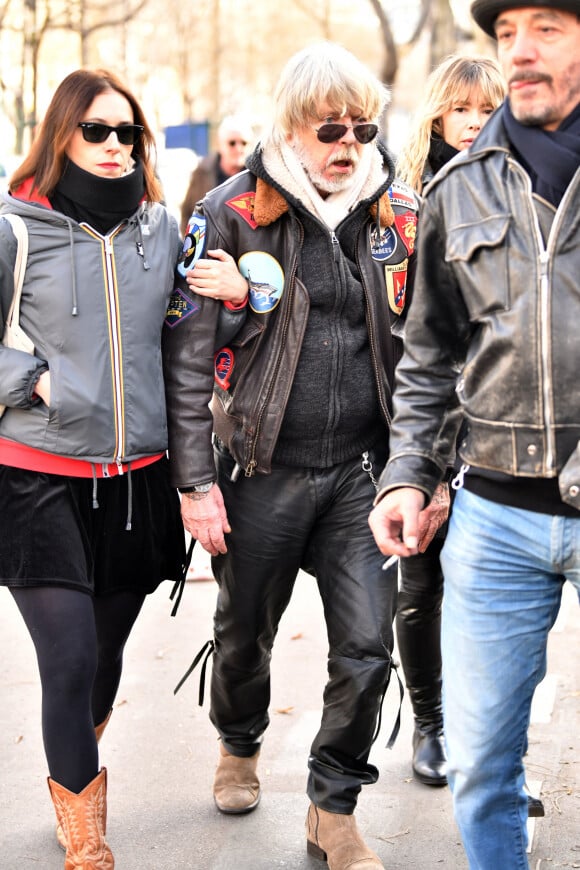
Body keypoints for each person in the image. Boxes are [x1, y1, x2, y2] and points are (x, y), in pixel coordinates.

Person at [163, 41, 439, 870]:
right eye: (330, 129)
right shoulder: (230, 211)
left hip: (363, 474)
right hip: (261, 469)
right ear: (291, 126)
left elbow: (428, 348)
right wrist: (195, 485)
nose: (348, 143)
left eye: (362, 127)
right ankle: (238, 743)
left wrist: (419, 470)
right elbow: (187, 356)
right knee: (243, 631)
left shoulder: (399, 214)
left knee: (367, 646)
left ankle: (333, 806)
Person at [368, 2, 580, 868]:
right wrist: (408, 473)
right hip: (493, 517)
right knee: (481, 766)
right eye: (506, 34)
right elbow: (428, 357)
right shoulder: (458, 190)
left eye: (550, 28)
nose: (519, 53)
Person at [0, 69, 188, 868]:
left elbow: (190, 344)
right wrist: (29, 379)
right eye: (96, 131)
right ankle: (87, 842)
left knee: (104, 662)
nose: (115, 148)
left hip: (136, 482)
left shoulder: (165, 231)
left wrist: (234, 295)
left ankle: (76, 759)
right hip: (36, 474)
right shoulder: (15, 229)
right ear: (61, 134)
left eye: (128, 133)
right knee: (69, 659)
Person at [394, 54, 506, 788]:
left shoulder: (520, 195)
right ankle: (430, 724)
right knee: (422, 584)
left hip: (498, 430)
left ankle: (487, 738)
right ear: (438, 113)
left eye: (486, 108)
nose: (474, 122)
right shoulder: (402, 205)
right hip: (423, 427)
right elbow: (411, 338)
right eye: (462, 108)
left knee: (494, 592)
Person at [179, 114, 253, 235]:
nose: (239, 148)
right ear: (220, 145)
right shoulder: (202, 172)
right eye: (232, 143)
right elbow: (187, 212)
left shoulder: (255, 177)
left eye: (244, 143)